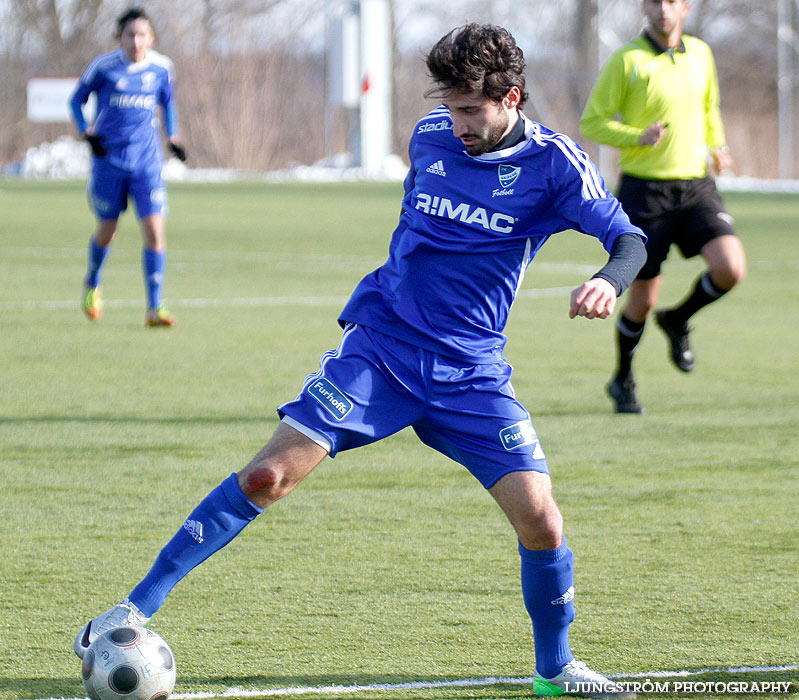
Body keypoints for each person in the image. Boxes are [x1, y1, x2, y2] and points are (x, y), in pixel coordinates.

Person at [73, 24, 645, 699]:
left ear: (511, 98)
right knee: (266, 475)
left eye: (470, 110)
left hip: (470, 373)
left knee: (542, 521)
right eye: (450, 106)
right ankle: (130, 610)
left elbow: (628, 238)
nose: (454, 123)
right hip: (381, 349)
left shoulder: (556, 166)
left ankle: (555, 670)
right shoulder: (430, 136)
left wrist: (608, 278)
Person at [580, 0, 746, 414]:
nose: (662, 10)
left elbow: (710, 109)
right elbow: (592, 122)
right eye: (654, 2)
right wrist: (637, 136)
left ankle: (678, 320)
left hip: (695, 186)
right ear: (644, 8)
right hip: (645, 193)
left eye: (671, 1)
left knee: (730, 267)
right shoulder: (628, 60)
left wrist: (718, 146)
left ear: (685, 7)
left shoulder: (702, 53)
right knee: (642, 300)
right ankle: (623, 378)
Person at [69, 7, 187, 327]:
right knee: (107, 231)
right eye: (129, 35)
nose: (136, 41)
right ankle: (92, 281)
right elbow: (75, 100)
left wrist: (172, 136)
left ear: (152, 38)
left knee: (154, 231)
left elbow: (168, 101)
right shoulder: (104, 68)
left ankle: (154, 307)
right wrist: (87, 133)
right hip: (109, 163)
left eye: (141, 34)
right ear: (119, 38)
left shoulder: (162, 68)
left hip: (147, 164)